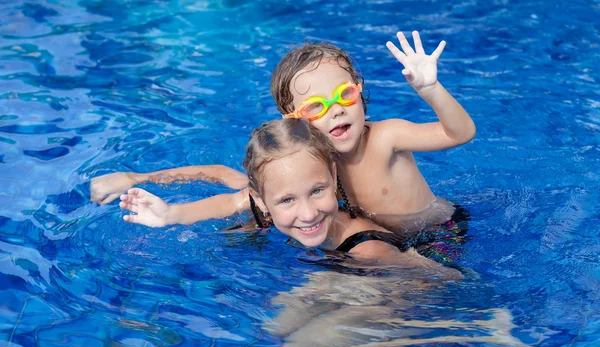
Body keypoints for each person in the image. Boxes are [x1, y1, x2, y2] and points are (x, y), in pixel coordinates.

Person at [119, 118, 539, 347]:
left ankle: (477, 330)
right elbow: (219, 179)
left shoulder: (370, 247)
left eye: (318, 191)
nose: (307, 212)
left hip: (393, 275)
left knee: (307, 345)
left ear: (333, 178)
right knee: (274, 328)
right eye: (286, 200)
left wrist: (417, 302)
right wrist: (168, 213)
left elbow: (443, 278)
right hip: (343, 270)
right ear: (260, 201)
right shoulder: (263, 202)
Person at [91, 31, 475, 237]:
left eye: (345, 94)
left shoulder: (386, 137)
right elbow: (240, 198)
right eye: (315, 107)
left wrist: (430, 90)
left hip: (442, 232)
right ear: (295, 120)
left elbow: (459, 133)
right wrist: (173, 214)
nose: (336, 109)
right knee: (250, 213)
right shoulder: (307, 161)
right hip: (381, 237)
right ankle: (135, 177)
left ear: (360, 90)